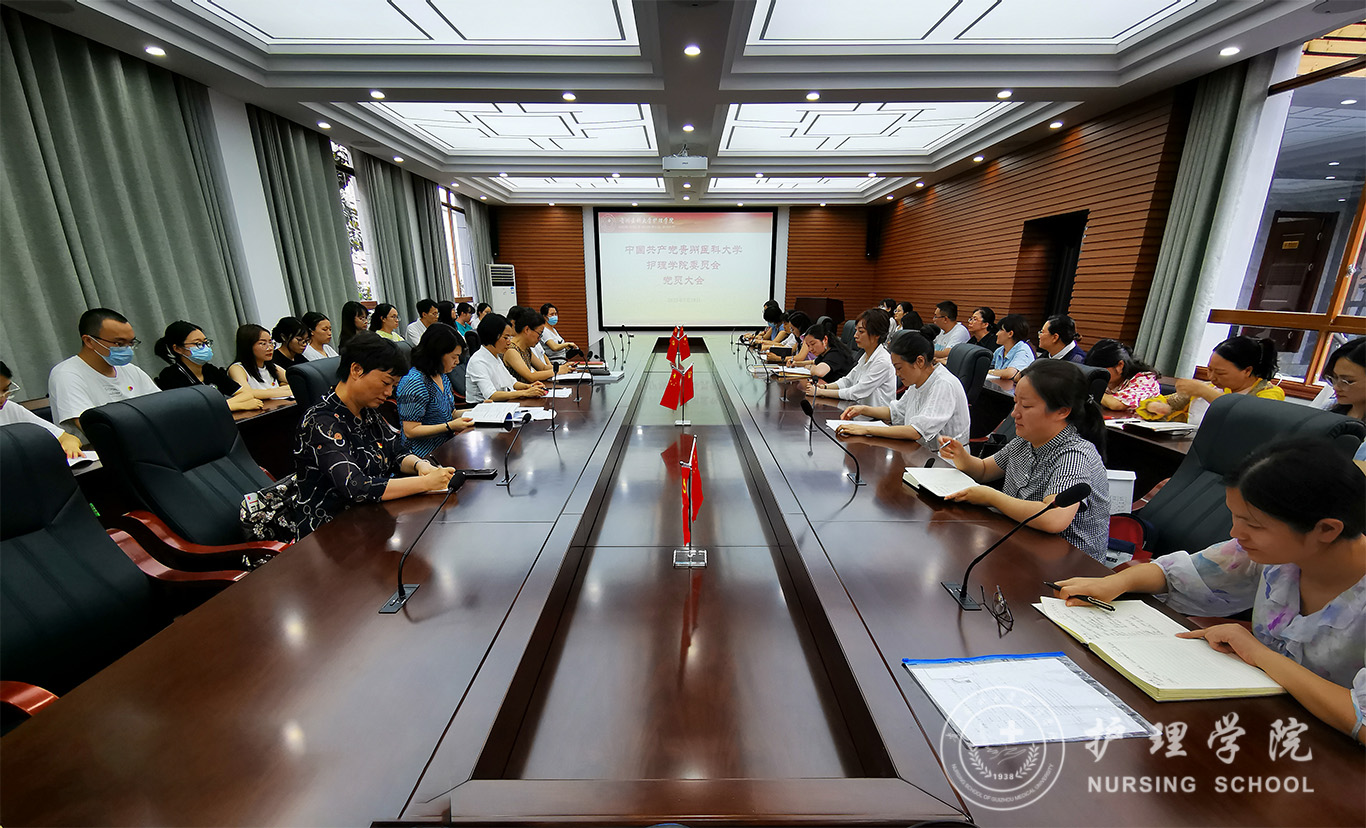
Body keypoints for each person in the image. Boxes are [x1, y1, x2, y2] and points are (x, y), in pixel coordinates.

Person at [1053, 439, 1365, 744]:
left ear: (1326, 529)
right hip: (1268, 724)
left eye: (1254, 525)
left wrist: (1260, 654)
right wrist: (1117, 582)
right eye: (1235, 517)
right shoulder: (1280, 556)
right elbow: (1179, 574)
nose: (1235, 533)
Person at [938, 359, 1112, 563]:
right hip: (1021, 542)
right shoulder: (1025, 441)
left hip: (1069, 565)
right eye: (1015, 402)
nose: (1015, 414)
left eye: (1026, 406)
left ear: (1062, 411)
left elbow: (1054, 518)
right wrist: (962, 457)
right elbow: (984, 470)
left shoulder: (1074, 455)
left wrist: (991, 497)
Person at [294, 333, 455, 535]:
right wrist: (425, 483)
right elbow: (356, 486)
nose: (389, 393)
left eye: (393, 386)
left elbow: (396, 451)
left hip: (373, 518)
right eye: (386, 383)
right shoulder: (320, 421)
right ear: (356, 370)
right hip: (331, 532)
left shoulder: (367, 411)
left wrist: (420, 465)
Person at [835, 331, 970, 446]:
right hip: (919, 453)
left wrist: (865, 429)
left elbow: (916, 431)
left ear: (920, 361)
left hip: (945, 461)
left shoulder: (944, 384)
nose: (896, 373)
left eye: (899, 368)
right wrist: (863, 410)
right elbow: (896, 412)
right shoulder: (918, 381)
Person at [47, 308, 160, 444]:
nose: (127, 349)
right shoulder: (66, 375)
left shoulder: (130, 370)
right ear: (89, 341)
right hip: (100, 451)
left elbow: (161, 408)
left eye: (130, 342)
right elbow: (94, 430)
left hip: (145, 441)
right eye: (119, 343)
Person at [1138, 335, 1284, 422]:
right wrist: (1154, 406)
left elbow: (1247, 418)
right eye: (1209, 369)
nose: (1212, 377)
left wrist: (1204, 392)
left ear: (1247, 371)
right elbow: (1168, 402)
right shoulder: (1211, 387)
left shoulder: (1270, 393)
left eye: (1220, 373)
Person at [396, 324, 475, 458]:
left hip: (446, 446)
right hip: (422, 455)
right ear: (438, 354)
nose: (457, 362)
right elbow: (411, 430)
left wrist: (478, 410)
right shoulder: (414, 382)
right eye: (454, 357)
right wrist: (450, 426)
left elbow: (451, 413)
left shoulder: (441, 376)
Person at [153, 320, 261, 412]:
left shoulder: (209, 369)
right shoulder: (170, 376)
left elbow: (246, 393)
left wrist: (222, 406)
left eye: (206, 342)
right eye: (198, 344)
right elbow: (192, 411)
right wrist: (235, 406)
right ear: (177, 348)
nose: (205, 347)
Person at [805, 308, 896, 408]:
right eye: (856, 330)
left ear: (876, 335)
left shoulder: (882, 361)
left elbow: (856, 392)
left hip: (874, 415)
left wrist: (820, 392)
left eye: (861, 331)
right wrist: (824, 387)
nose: (855, 335)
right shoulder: (866, 355)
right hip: (859, 409)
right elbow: (848, 381)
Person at [0, 361, 85, 458]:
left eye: (5, 390)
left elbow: (66, 437)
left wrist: (70, 446)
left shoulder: (9, 409)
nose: (2, 399)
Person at [465, 313, 548, 404]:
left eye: (510, 337)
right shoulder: (478, 361)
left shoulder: (495, 356)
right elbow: (492, 395)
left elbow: (512, 382)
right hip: (482, 408)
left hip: (501, 405)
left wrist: (529, 387)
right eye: (505, 338)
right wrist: (525, 393)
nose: (509, 342)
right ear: (493, 336)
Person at [1084, 339, 1162, 410]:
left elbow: (1116, 404)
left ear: (1119, 366)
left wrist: (1087, 391)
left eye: (1100, 369)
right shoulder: (1110, 380)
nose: (1096, 373)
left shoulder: (1145, 380)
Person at [504, 310, 576, 383]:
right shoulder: (511, 350)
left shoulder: (526, 349)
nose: (539, 339)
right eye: (539, 334)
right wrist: (558, 371)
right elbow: (530, 377)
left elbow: (543, 367)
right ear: (527, 330)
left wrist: (564, 367)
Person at [227, 324, 293, 399]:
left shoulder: (272, 367)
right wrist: (282, 391)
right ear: (248, 346)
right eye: (263, 343)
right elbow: (246, 393)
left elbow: (296, 381)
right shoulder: (237, 368)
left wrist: (283, 388)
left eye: (270, 342)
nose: (270, 348)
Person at [788, 321, 854, 382]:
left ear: (825, 339)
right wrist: (795, 364)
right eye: (808, 346)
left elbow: (818, 372)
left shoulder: (835, 354)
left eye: (813, 344)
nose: (810, 349)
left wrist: (808, 367)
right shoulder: (824, 353)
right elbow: (813, 362)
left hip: (838, 389)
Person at [987, 314, 1036, 380]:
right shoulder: (1000, 350)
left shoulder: (1023, 350)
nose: (997, 334)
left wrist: (989, 372)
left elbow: (1010, 373)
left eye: (1001, 330)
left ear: (1010, 333)